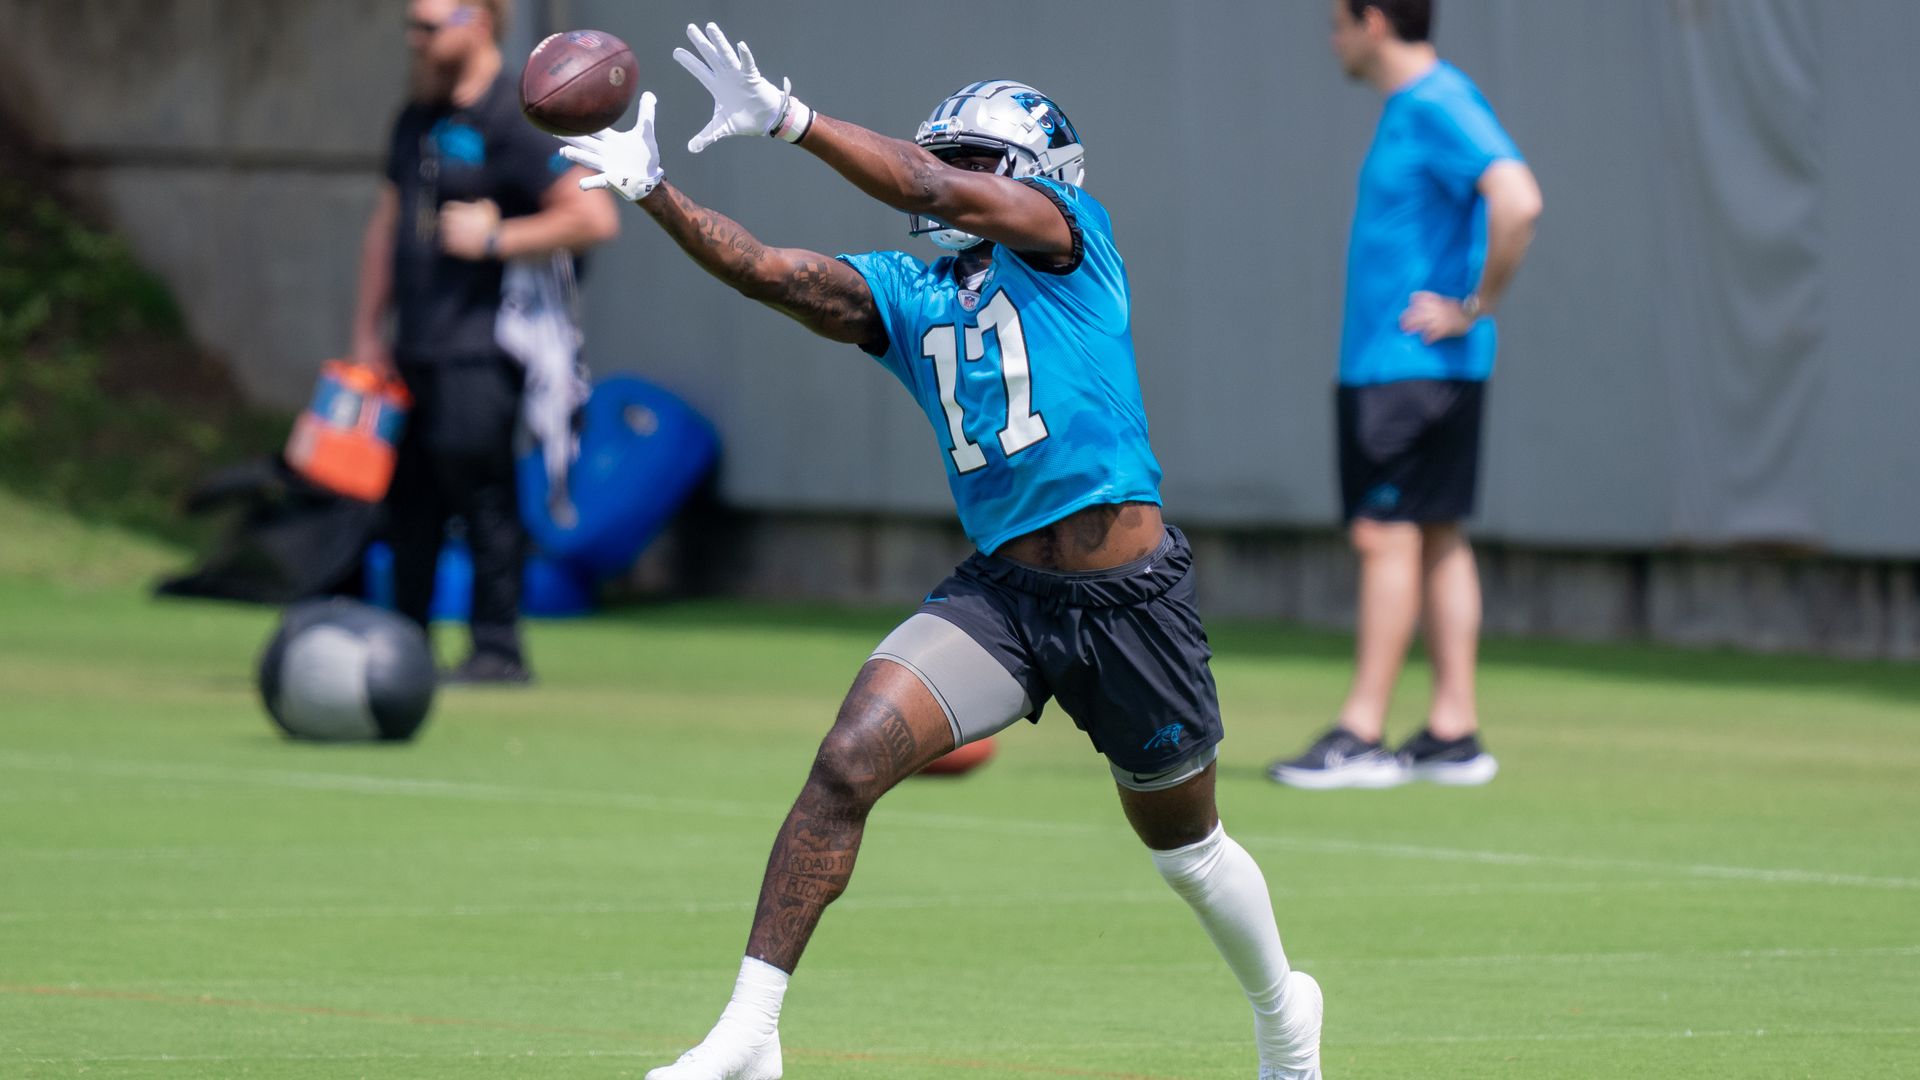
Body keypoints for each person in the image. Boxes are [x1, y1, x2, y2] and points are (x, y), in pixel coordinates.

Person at [555, 22, 1324, 1080]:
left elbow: (923, 181)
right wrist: (654, 194)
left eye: (973, 165)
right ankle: (750, 1031)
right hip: (1003, 600)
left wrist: (790, 119)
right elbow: (774, 274)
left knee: (1185, 848)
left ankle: (1286, 1014)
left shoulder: (1067, 238)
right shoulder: (915, 295)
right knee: (846, 761)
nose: (944, 183)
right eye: (945, 158)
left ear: (1030, 180)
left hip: (1128, 598)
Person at [1269, 0, 1542, 790]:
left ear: (1375, 21)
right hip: (1423, 369)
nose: (1333, 39)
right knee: (1437, 535)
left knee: (1383, 535)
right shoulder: (1422, 105)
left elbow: (1519, 199)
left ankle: (1362, 731)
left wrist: (1475, 304)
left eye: (1339, 21)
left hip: (1408, 370)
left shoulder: (1437, 103)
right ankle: (1453, 732)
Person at [347, 0, 618, 684]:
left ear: (479, 21)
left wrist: (498, 238)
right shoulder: (417, 117)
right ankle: (399, 649)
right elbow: (385, 227)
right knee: (408, 504)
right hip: (414, 346)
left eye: (428, 27)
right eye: (410, 26)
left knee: (484, 498)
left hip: (484, 347)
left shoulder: (519, 115)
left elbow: (593, 217)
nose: (415, 41)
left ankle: (497, 650)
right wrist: (366, 335)